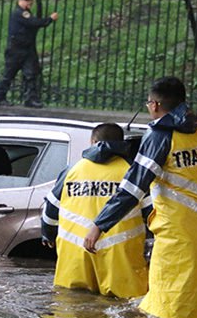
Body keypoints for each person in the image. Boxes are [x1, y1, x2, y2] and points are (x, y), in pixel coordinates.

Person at [83, 76, 197, 318]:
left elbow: (132, 189)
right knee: (193, 297)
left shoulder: (158, 137)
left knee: (168, 309)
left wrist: (98, 226)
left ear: (154, 105)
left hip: (178, 234)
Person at [41, 123, 151, 298]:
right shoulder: (132, 172)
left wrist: (48, 234)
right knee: (123, 312)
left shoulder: (72, 170)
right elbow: (152, 213)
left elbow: (50, 210)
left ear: (92, 141)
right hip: (120, 258)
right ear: (122, 143)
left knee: (70, 310)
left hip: (75, 255)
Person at [0, 0, 59, 108]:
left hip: (27, 49)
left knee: (30, 74)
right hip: (16, 50)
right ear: (19, 1)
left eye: (30, 0)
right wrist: (50, 19)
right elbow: (33, 23)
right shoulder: (20, 13)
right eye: (26, 0)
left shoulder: (26, 12)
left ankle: (30, 99)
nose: (29, 2)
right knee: (9, 73)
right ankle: (0, 97)